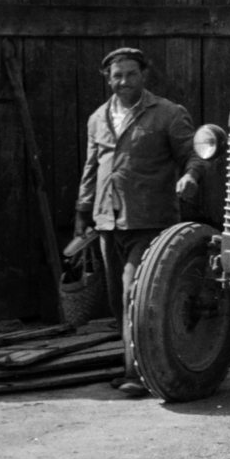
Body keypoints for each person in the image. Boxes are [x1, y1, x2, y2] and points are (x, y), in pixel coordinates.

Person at [73, 48, 206, 396]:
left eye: (131, 74)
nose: (124, 82)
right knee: (119, 300)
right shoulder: (98, 118)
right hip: (107, 221)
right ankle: (134, 364)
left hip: (149, 220)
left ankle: (139, 372)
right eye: (117, 76)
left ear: (144, 75)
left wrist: (190, 177)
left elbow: (193, 154)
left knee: (137, 293)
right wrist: (82, 213)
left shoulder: (167, 113)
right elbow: (91, 169)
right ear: (108, 78)